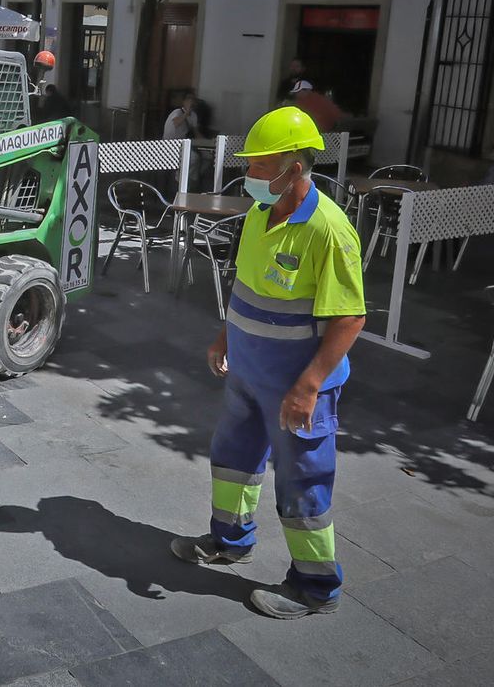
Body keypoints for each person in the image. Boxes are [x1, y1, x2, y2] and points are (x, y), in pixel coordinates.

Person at [170, 106, 365, 620]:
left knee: (302, 481)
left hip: (296, 386)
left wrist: (309, 386)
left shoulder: (329, 229)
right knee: (233, 459)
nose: (249, 175)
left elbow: (349, 318)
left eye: (259, 167)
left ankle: (316, 587)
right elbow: (247, 287)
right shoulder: (259, 215)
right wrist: (223, 336)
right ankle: (230, 541)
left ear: (294, 169)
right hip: (247, 376)